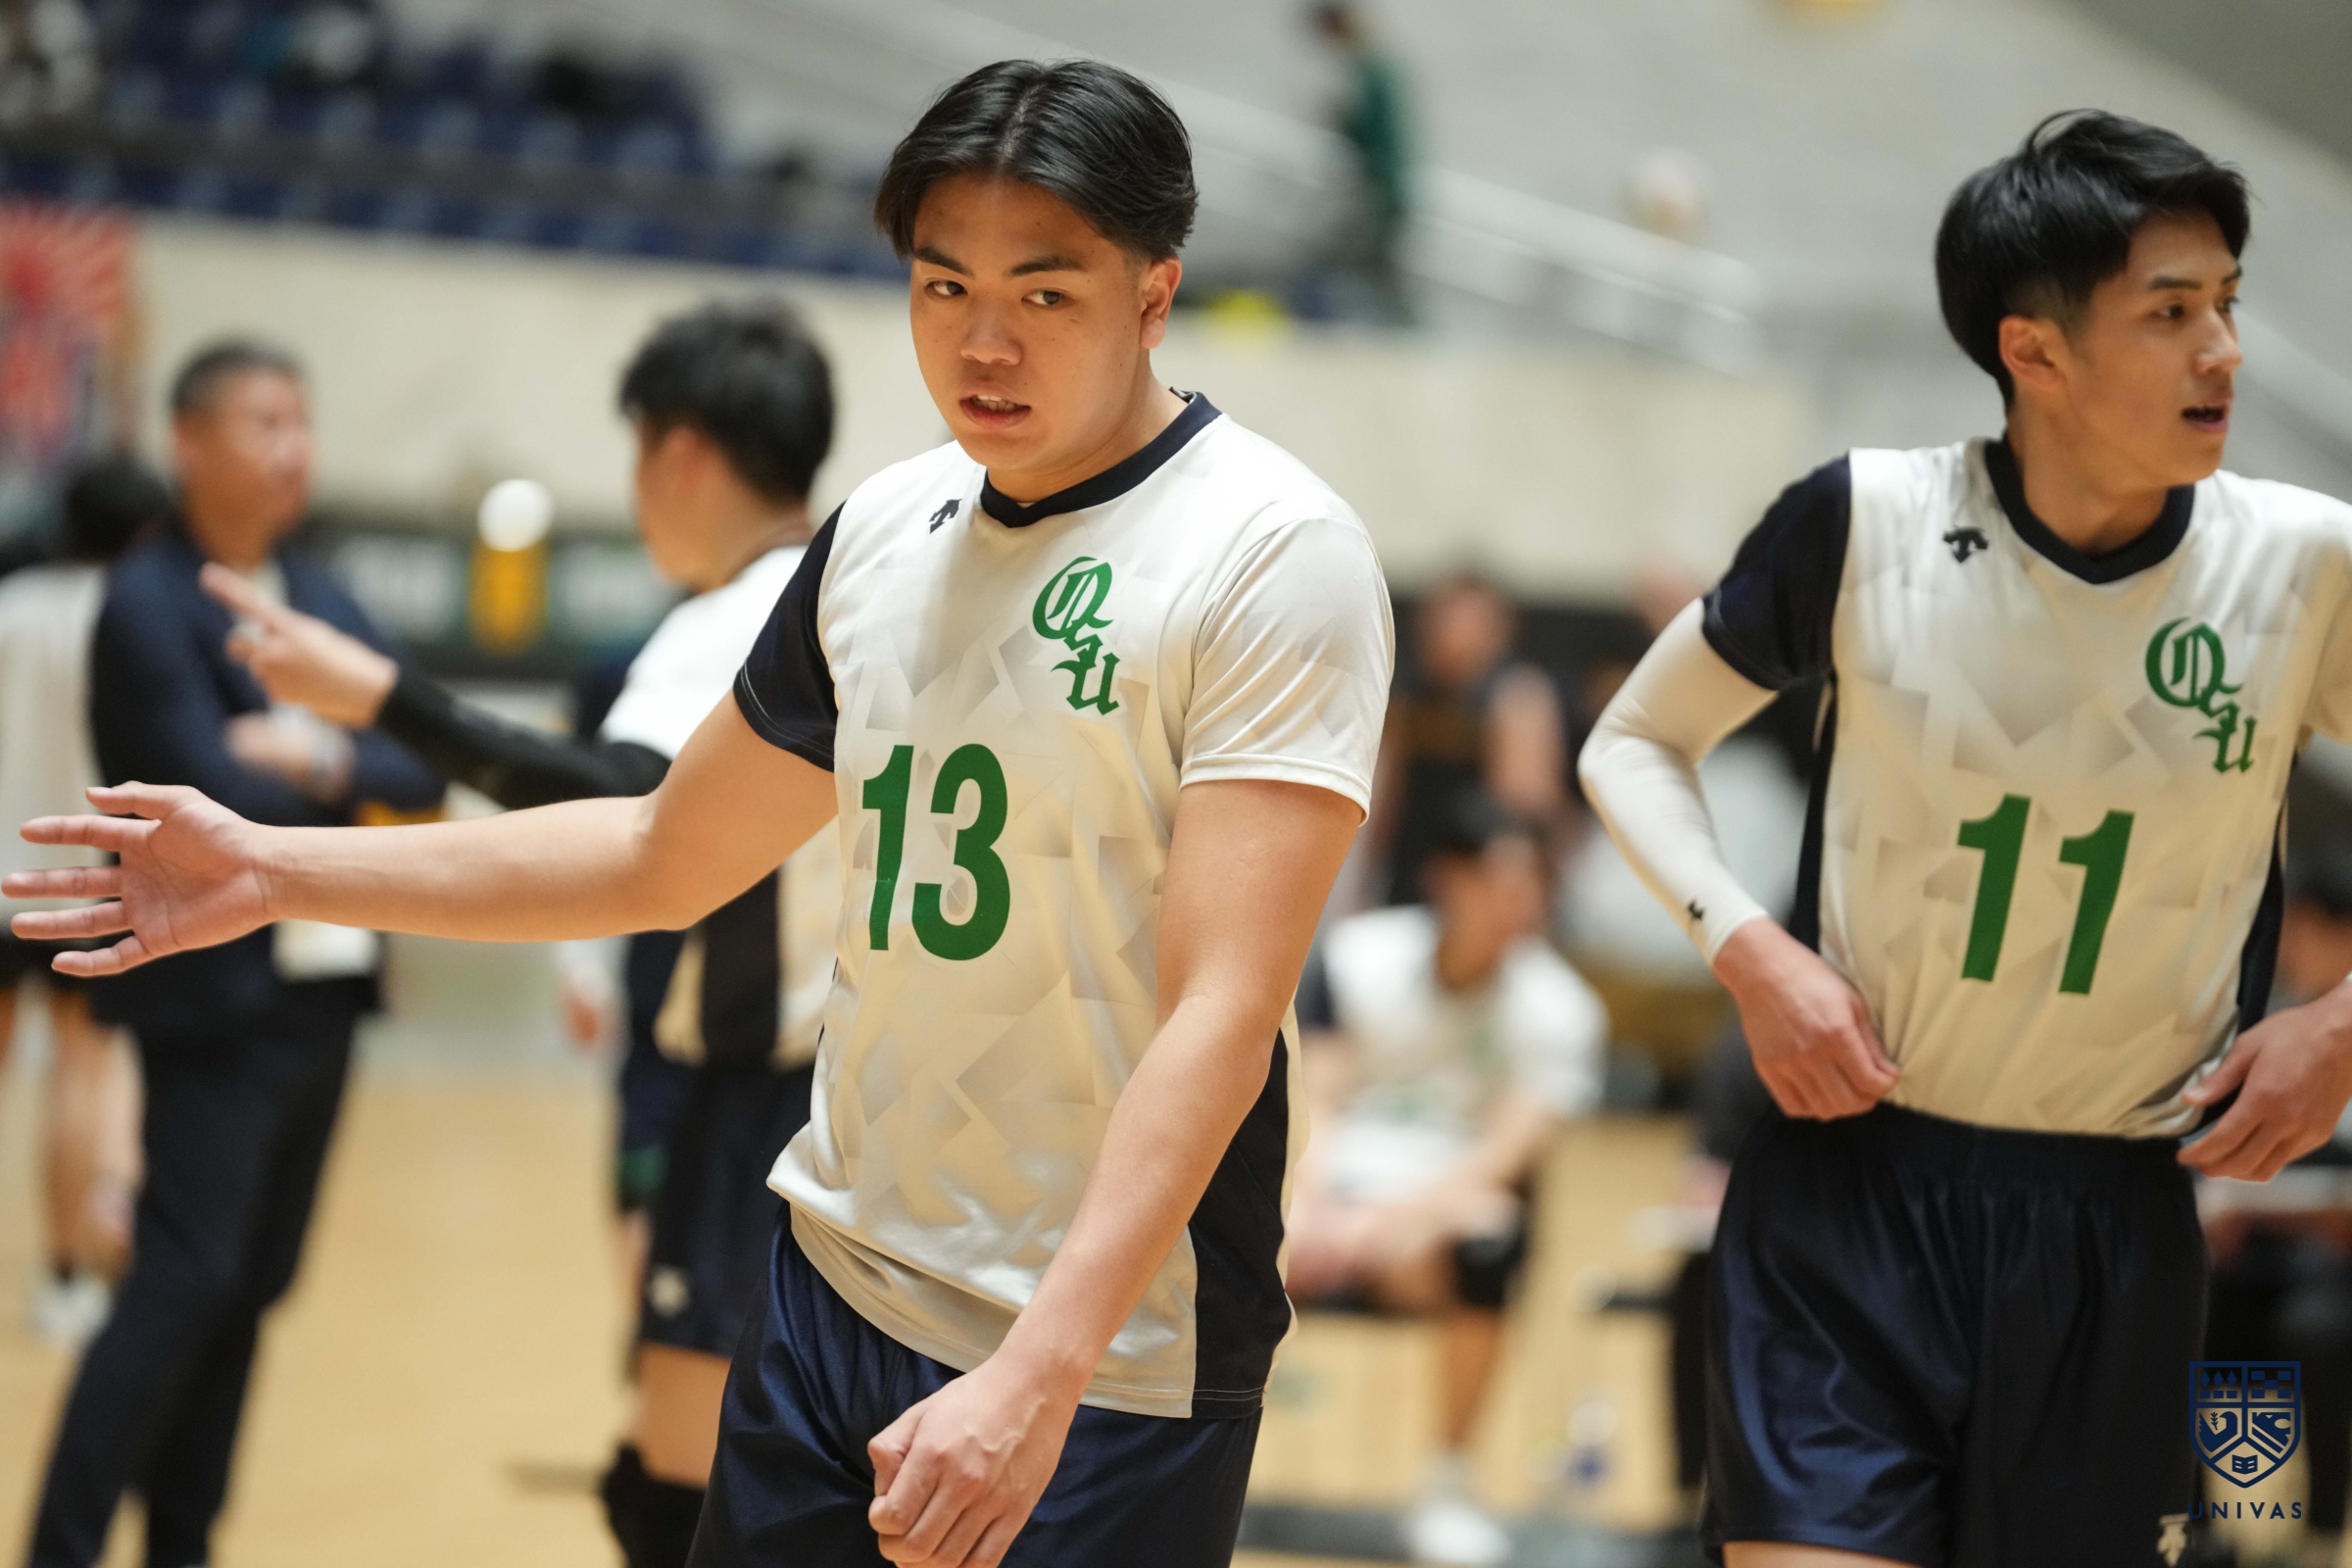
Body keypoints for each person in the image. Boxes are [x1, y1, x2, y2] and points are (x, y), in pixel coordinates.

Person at [13, 59, 1394, 1568]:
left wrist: (1038, 1372)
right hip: (830, 1289)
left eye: (1043, 294)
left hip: (1104, 1362)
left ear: (1155, 293)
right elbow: (658, 849)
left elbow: (1223, 1009)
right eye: (944, 286)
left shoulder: (1274, 552)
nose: (982, 343)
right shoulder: (881, 533)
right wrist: (277, 869)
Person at [1579, 110, 2352, 1566]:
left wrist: (2345, 1027)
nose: (2225, 352)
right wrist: (1750, 952)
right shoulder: (1862, 522)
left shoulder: (2306, 564)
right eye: (2172, 313)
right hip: (1845, 1197)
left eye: (2229, 304)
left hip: (2116, 1220)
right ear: (2034, 351)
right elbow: (1632, 740)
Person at [203, 298, 843, 1568]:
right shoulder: (855, 588)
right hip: (838, 1088)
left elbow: (617, 805)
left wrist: (383, 699)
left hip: (755, 1098)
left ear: (678, 452)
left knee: (679, 1490)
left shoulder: (739, 615)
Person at [22, 341, 444, 1568]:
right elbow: (202, 803)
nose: (292, 447)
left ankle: (182, 1544)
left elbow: (421, 759)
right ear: (189, 441)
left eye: (301, 421)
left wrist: (314, 754)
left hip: (325, 991)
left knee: (251, 1284)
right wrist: (337, 781)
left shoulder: (320, 593)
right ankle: (60, 1544)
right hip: (213, 998)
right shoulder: (147, 601)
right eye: (264, 421)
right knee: (181, 1276)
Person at [1287, 794, 1604, 1567]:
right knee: (1207, 1219)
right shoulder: (1358, 958)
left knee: (1493, 1239)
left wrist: (1382, 1225)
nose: (1516, 904)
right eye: (1497, 881)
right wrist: (1308, 1205)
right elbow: (1313, 1099)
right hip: (1321, 1198)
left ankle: (1446, 1486)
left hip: (1428, 1225)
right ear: (1444, 879)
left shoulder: (1561, 1010)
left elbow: (1502, 1157)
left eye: (1531, 885)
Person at [0, 455, 168, 1345]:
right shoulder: (133, 616)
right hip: (81, 878)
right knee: (78, 1073)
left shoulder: (10, 607)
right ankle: (65, 1279)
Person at [1373, 573, 1568, 906]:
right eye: (1440, 620)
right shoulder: (1410, 695)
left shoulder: (1517, 696)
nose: (1448, 633)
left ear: (1498, 630)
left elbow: (1525, 809)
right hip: (1410, 871)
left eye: (1463, 621)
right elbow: (1385, 802)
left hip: (1480, 881)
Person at [1307, 1, 1412, 323]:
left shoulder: (1370, 70)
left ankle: (1400, 326)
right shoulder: (1378, 65)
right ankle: (1396, 324)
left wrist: (1338, 117)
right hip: (1388, 183)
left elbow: (1372, 132)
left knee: (1365, 262)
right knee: (1376, 266)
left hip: (1380, 186)